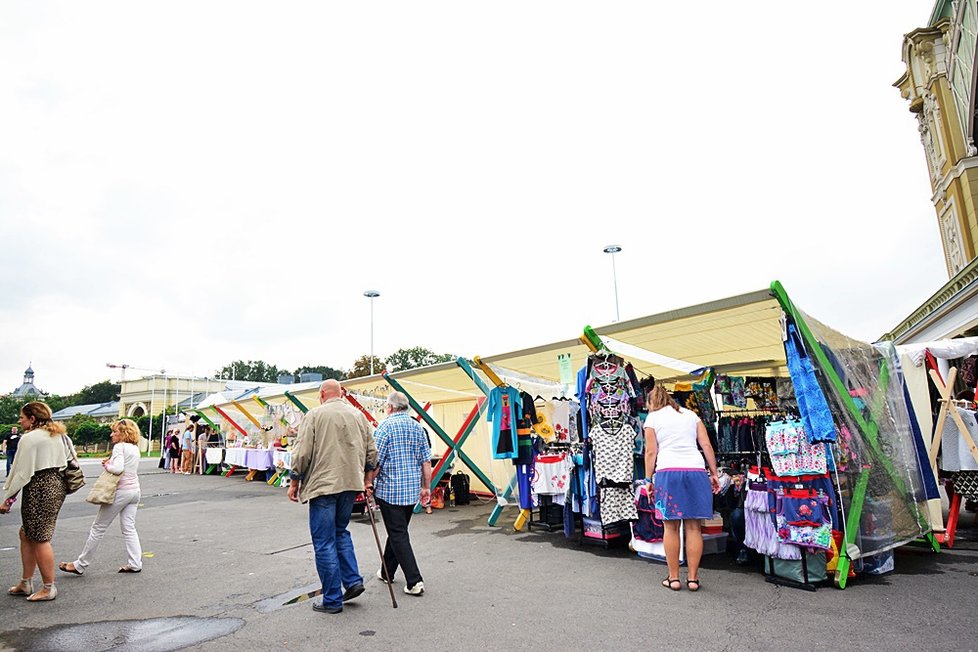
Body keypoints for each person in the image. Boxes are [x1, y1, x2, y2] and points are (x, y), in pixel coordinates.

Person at [288, 379, 377, 615]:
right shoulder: (359, 416)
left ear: (322, 394)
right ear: (341, 393)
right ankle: (352, 580)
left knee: (324, 541)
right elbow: (371, 451)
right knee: (340, 531)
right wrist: (368, 478)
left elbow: (302, 452)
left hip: (324, 485)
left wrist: (294, 480)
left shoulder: (315, 415)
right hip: (351, 483)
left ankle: (332, 599)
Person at [643, 385, 720, 592]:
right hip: (695, 471)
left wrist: (647, 479)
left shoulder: (652, 419)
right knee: (694, 527)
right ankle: (693, 579)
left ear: (652, 403)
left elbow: (651, 452)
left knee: (671, 527)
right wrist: (713, 473)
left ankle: (674, 578)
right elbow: (706, 445)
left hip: (669, 472)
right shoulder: (691, 415)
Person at [1, 402, 72, 601]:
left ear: (32, 419)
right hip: (55, 485)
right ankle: (26, 582)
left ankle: (49, 588)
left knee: (40, 538)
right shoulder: (57, 434)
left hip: (39, 488)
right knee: (27, 533)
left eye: (22, 417)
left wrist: (8, 499)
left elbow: (22, 473)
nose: (19, 420)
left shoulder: (30, 439)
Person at [367, 391, 432, 596]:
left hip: (390, 490)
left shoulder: (384, 427)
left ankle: (414, 581)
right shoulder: (417, 427)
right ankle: (387, 572)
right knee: (398, 530)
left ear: (390, 407)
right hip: (411, 489)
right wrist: (426, 487)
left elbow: (376, 462)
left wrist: (368, 482)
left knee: (398, 533)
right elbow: (426, 461)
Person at [59, 418, 143, 576]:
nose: (111, 434)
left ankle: (80, 564)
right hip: (134, 491)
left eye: (115, 431)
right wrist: (111, 463)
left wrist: (107, 465)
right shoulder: (134, 448)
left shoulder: (119, 447)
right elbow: (125, 466)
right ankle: (135, 563)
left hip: (121, 491)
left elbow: (118, 469)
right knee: (129, 528)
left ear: (124, 433)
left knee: (98, 528)